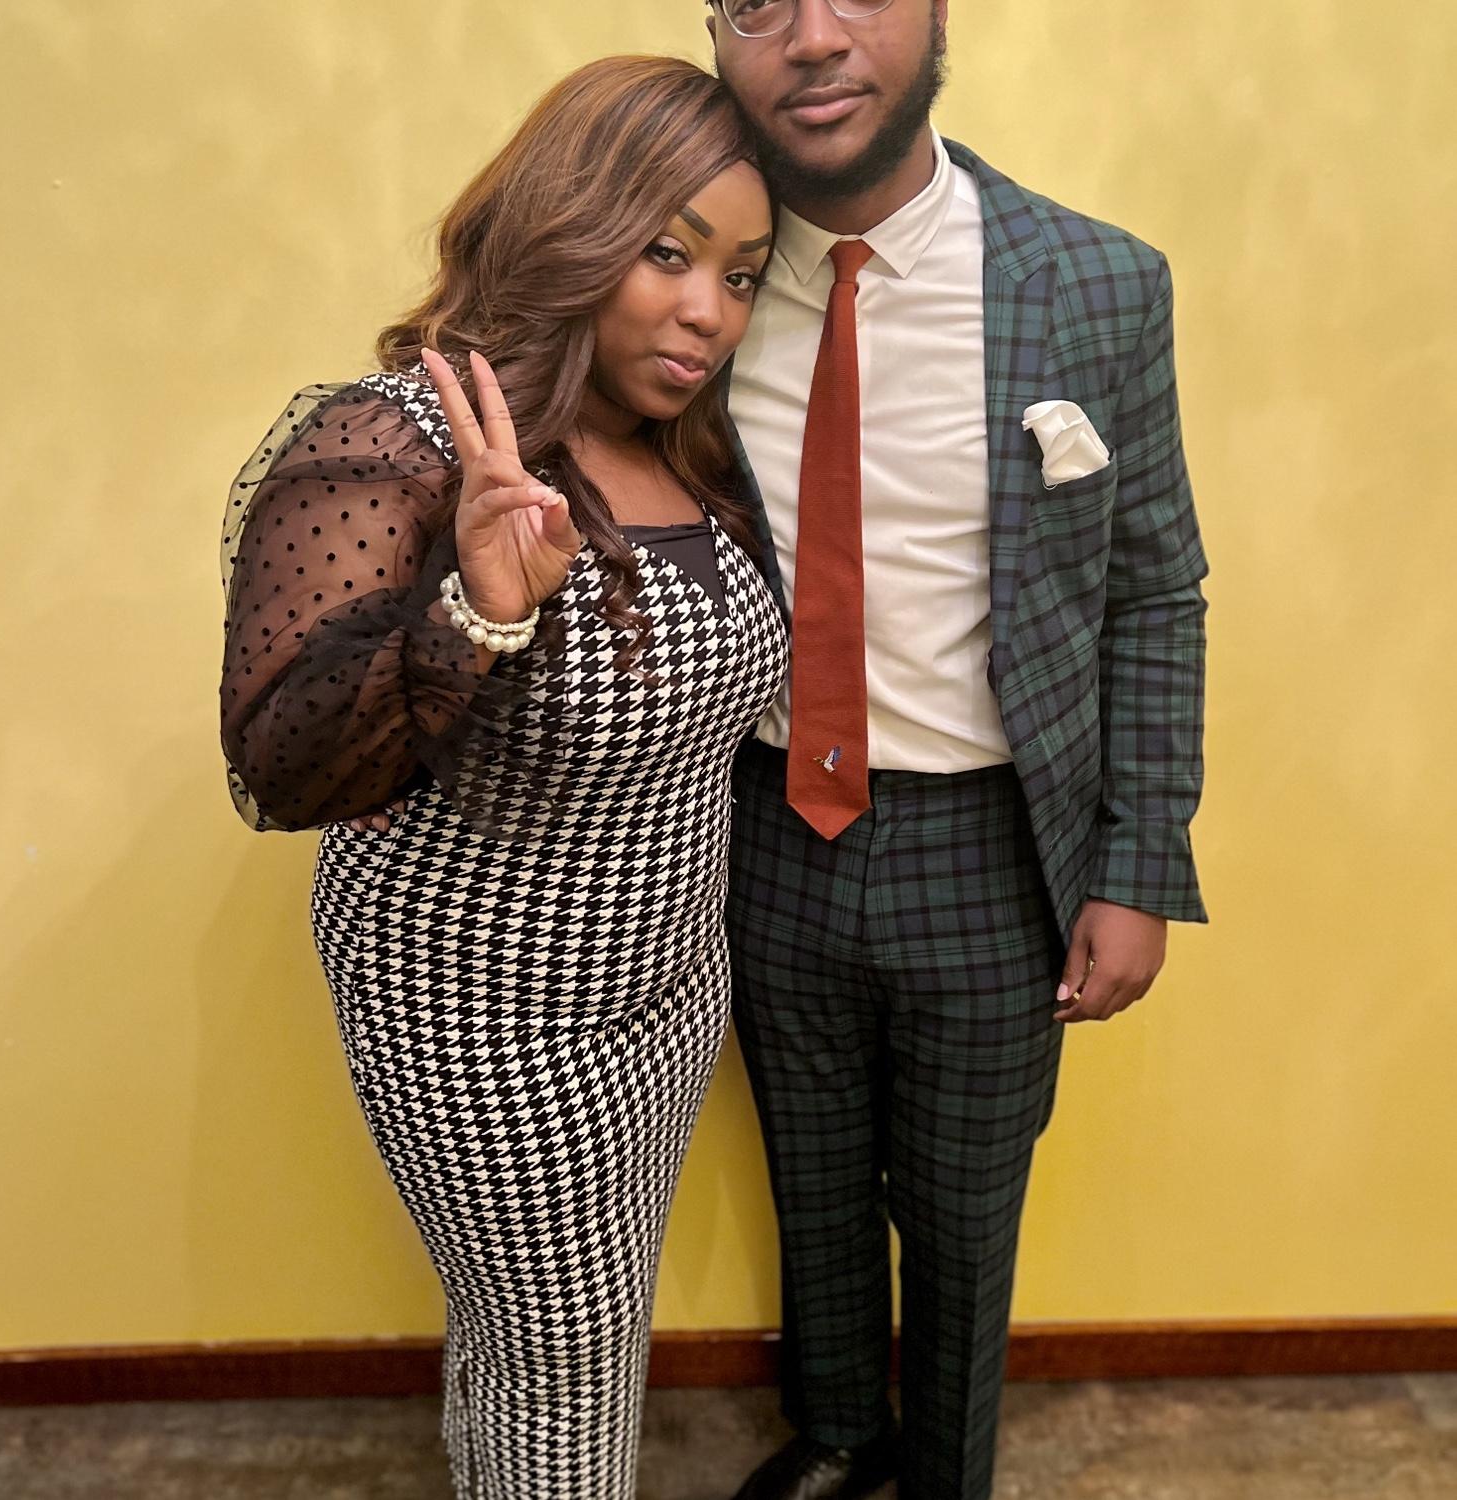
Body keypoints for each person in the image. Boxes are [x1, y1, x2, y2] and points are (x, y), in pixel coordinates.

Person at [217, 56, 783, 1498]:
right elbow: (283, 764)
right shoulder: (394, 438)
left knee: (544, 1346)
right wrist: (479, 609)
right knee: (566, 1362)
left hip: (666, 989)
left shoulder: (690, 455)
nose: (709, 312)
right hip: (474, 1003)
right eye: (670, 253)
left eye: (740, 274)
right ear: (573, 224)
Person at [705, 2, 1210, 1496]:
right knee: (809, 1174)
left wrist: (1139, 864)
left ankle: (944, 1473)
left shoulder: (1097, 283)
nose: (812, 39)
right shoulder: (689, 283)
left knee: (966, 1209)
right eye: (758, 1)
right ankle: (838, 1430)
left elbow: (1154, 590)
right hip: (758, 824)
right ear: (715, 35)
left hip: (991, 848)